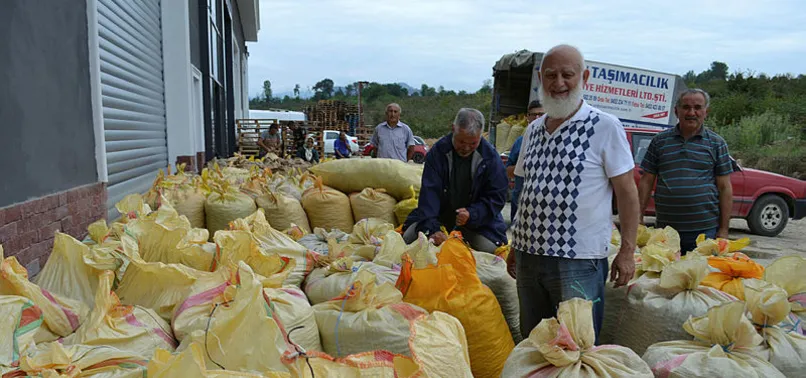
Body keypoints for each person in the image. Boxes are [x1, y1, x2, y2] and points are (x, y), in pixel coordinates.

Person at [508, 44, 639, 342]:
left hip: (577, 261)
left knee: (576, 344)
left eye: (568, 75)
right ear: (541, 78)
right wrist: (516, 243)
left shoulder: (604, 126)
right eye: (551, 75)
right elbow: (524, 191)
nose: (559, 83)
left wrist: (627, 251)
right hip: (529, 257)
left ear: (585, 77)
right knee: (534, 344)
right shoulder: (533, 130)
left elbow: (628, 195)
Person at [638, 89, 734, 254]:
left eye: (697, 107)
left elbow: (725, 188)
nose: (692, 112)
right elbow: (646, 181)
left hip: (705, 231)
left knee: (701, 277)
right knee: (663, 276)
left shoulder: (717, 144)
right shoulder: (659, 142)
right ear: (677, 111)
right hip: (665, 231)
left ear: (706, 112)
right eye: (686, 107)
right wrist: (638, 219)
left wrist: (724, 230)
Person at [402, 108, 508, 254]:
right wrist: (433, 229)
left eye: (473, 143)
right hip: (440, 217)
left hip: (476, 223)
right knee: (407, 240)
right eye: (461, 141)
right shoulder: (438, 152)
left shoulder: (490, 157)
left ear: (481, 135)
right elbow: (429, 194)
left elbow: (497, 197)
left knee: (492, 250)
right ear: (453, 129)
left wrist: (472, 214)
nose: (465, 148)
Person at [507, 101, 545, 224]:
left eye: (541, 114)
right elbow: (508, 171)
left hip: (543, 204)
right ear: (527, 117)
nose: (537, 118)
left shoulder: (554, 142)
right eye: (533, 114)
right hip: (519, 200)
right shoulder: (520, 142)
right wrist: (525, 164)